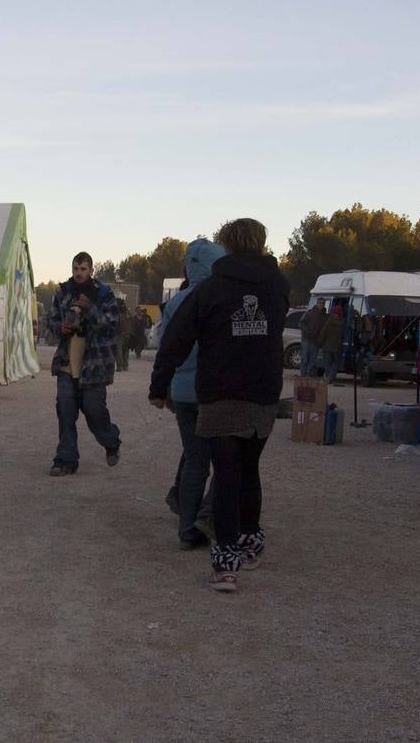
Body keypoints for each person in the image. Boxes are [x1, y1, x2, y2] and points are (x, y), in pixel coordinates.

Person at [149, 218, 289, 593]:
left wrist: (158, 385)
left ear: (226, 246)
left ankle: (226, 563)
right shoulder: (279, 285)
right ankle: (250, 541)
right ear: (261, 242)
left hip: (220, 392)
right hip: (262, 392)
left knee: (226, 476)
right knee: (248, 470)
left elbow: (175, 340)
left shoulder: (211, 289)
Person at [155, 239, 225, 549]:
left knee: (196, 459)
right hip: (214, 392)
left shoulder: (174, 303)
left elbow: (164, 346)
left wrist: (165, 387)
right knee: (225, 460)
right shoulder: (222, 300)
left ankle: (186, 529)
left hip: (183, 392)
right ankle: (207, 516)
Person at [47, 252, 123, 476]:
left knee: (94, 412)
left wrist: (90, 308)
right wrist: (59, 327)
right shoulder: (63, 293)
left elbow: (111, 325)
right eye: (76, 269)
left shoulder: (103, 294)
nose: (79, 273)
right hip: (66, 364)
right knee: (65, 411)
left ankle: (111, 441)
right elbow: (50, 321)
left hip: (94, 366)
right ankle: (66, 459)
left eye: (83, 269)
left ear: (91, 270)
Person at [298, 297, 327, 376]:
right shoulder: (309, 313)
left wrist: (321, 339)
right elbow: (301, 323)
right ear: (317, 303)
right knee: (305, 358)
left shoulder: (324, 316)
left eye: (323, 303)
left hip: (316, 341)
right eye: (320, 303)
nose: (321, 304)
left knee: (313, 360)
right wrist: (307, 331)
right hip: (306, 339)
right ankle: (303, 375)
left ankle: (308, 375)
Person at [318, 304, 347, 383]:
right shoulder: (343, 323)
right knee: (336, 363)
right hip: (337, 346)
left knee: (327, 363)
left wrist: (319, 343)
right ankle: (331, 377)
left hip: (327, 346)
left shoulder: (329, 322)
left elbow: (323, 333)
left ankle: (328, 377)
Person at [115, 299, 134, 371]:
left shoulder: (117, 313)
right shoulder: (127, 313)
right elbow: (132, 321)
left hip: (120, 334)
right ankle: (125, 366)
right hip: (127, 334)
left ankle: (120, 366)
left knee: (119, 350)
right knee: (126, 350)